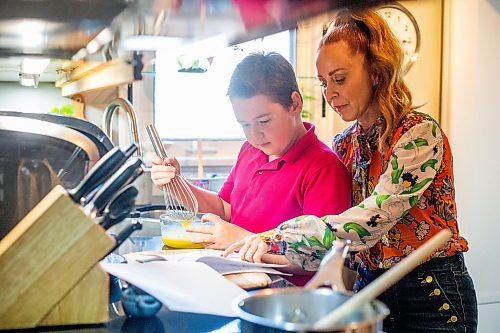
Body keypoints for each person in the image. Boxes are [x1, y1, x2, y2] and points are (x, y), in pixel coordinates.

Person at [224, 9, 478, 332]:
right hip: (369, 288)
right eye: (323, 82)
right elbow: (341, 245)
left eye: (340, 79)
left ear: (375, 70)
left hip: (431, 296)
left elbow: (372, 219)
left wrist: (278, 237)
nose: (330, 94)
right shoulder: (345, 145)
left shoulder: (417, 135)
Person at [151, 51, 351, 285]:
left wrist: (244, 239)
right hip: (240, 283)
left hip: (285, 299)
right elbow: (224, 209)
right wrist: (177, 184)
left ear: (294, 104)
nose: (255, 134)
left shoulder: (324, 169)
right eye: (244, 124)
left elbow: (321, 258)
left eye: (264, 121)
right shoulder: (251, 150)